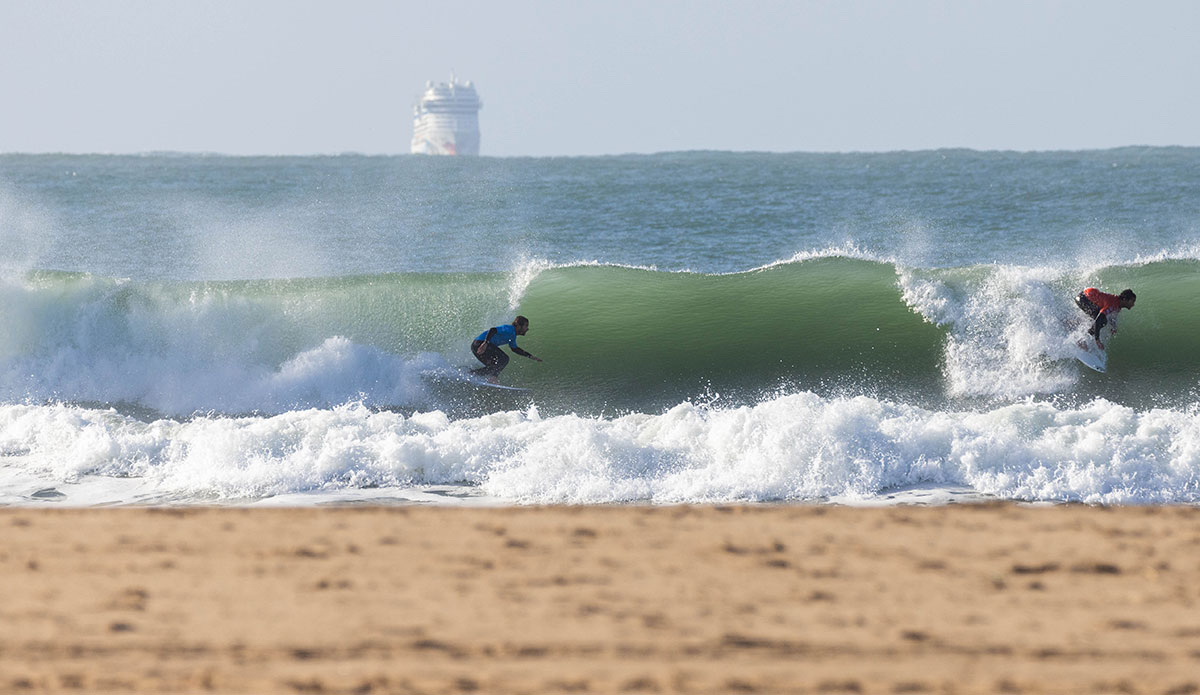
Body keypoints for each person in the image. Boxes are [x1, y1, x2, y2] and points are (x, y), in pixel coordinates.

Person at [471, 316, 542, 382]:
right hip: (480, 344)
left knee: (493, 367)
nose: (527, 329)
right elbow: (493, 330)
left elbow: (515, 349)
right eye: (526, 326)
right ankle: (493, 378)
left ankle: (470, 374)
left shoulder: (512, 336)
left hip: (477, 346)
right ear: (518, 325)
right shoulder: (509, 329)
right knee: (504, 359)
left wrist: (530, 356)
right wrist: (485, 343)